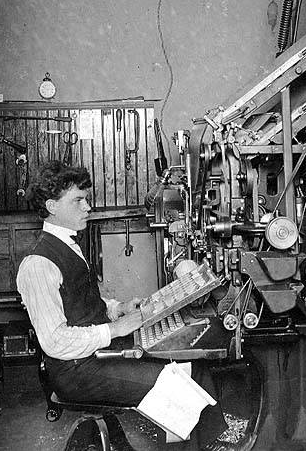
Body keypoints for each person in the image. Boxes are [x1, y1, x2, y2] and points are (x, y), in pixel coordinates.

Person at [16, 160, 231, 449]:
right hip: (76, 371)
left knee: (192, 365)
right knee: (185, 382)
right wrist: (115, 329)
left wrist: (116, 308)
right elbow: (54, 341)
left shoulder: (67, 245)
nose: (87, 207)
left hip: (92, 355)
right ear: (52, 207)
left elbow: (79, 300)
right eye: (78, 200)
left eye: (86, 199)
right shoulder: (38, 264)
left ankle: (211, 442)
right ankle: (213, 445)